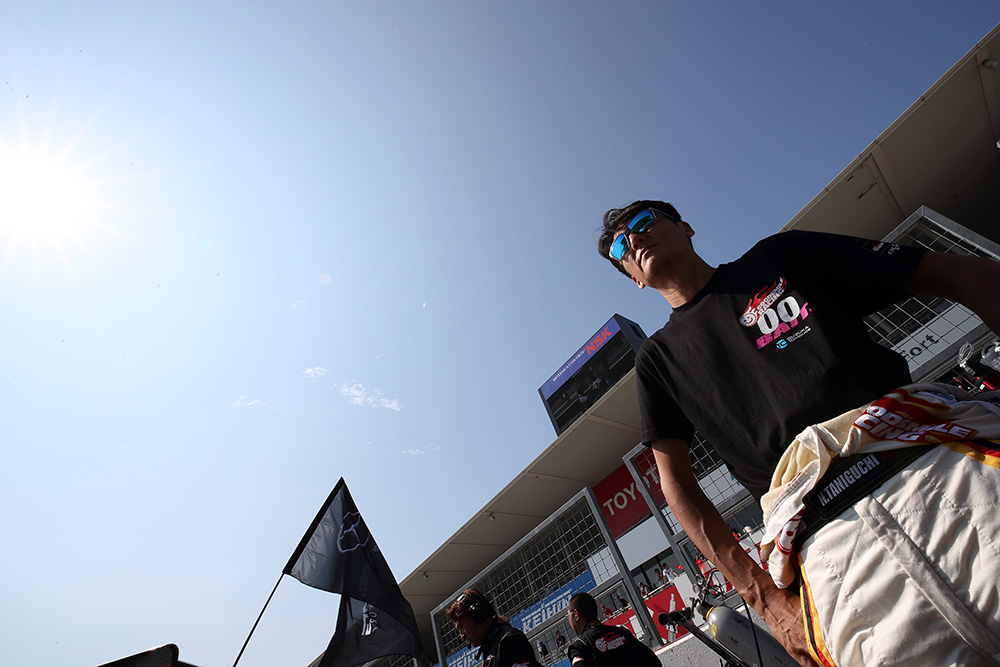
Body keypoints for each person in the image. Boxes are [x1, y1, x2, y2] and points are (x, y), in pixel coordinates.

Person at [598, 200, 1000, 665]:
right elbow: (677, 486)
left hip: (939, 470)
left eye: (643, 222)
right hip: (830, 553)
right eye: (622, 247)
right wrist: (764, 598)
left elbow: (966, 274)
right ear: (634, 278)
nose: (634, 239)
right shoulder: (656, 362)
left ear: (686, 227)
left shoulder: (782, 257)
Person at [446, 588, 541, 667]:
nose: (462, 636)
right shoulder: (490, 649)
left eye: (461, 627)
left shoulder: (509, 641)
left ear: (477, 615)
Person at [566, 592, 660, 667]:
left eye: (568, 616)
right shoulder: (622, 632)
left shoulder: (580, 646)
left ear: (576, 614)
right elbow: (654, 662)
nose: (569, 620)